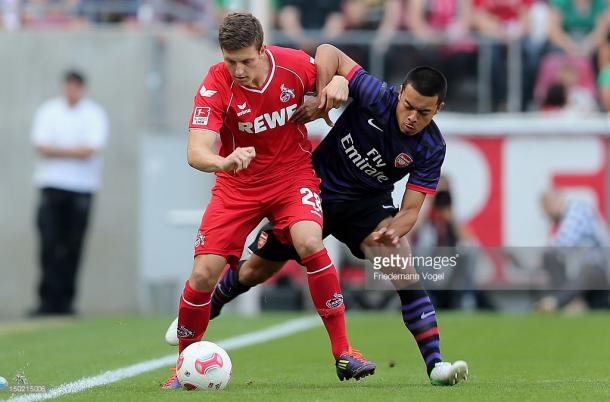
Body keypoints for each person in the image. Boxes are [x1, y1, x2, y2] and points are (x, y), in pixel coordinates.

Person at [166, 44, 469, 386]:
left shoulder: (431, 147)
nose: (412, 118)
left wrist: (393, 231)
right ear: (400, 94)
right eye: (408, 106)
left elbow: (411, 209)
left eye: (424, 113)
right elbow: (328, 51)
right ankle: (211, 307)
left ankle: (435, 365)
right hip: (315, 189)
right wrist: (325, 91)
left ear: (438, 110)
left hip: (366, 206)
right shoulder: (377, 96)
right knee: (255, 270)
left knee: (400, 262)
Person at [162, 13, 375, 389]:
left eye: (247, 60)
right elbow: (196, 151)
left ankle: (344, 352)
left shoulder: (292, 65)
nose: (239, 70)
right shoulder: (216, 83)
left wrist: (338, 81)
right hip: (236, 186)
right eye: (231, 61)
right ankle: (182, 366)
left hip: (291, 178)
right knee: (203, 275)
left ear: (263, 49)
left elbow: (337, 60)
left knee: (309, 241)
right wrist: (222, 161)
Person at [30, 70, 109, 317]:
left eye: (76, 87)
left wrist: (58, 151)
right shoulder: (48, 111)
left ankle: (66, 302)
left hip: (81, 188)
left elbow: (91, 149)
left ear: (82, 88)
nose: (72, 91)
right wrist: (74, 152)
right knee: (49, 244)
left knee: (73, 245)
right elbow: (41, 146)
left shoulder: (94, 114)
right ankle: (46, 301)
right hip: (51, 185)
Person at [535, 188, 610, 312]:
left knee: (590, 269)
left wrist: (535, 263)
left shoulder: (576, 210)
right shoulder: (567, 216)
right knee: (550, 257)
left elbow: (565, 242)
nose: (545, 215)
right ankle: (571, 303)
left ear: (551, 203)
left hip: (601, 273)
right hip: (586, 278)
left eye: (545, 210)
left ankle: (556, 302)